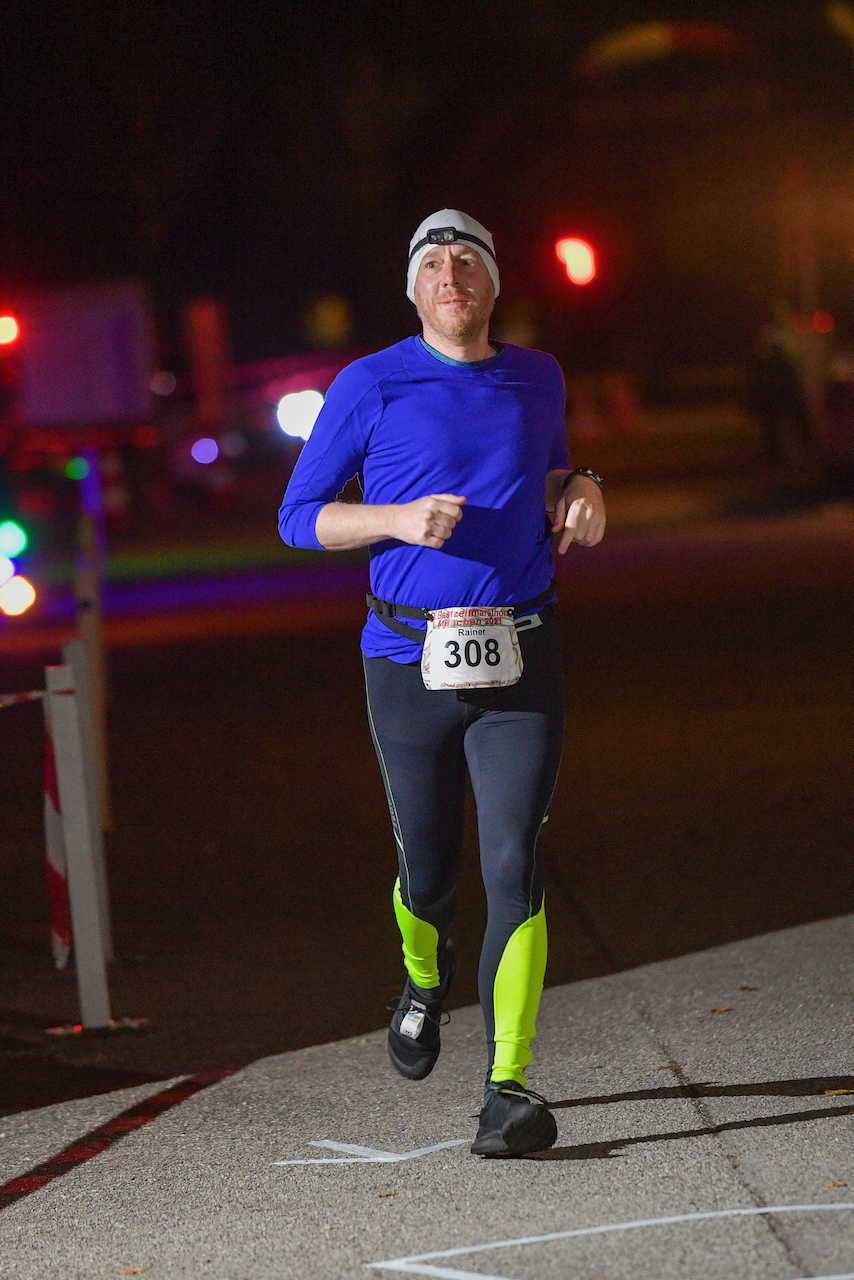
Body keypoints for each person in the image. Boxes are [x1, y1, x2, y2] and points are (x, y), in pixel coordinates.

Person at [278, 209, 606, 1156]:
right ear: (414, 288)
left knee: (515, 860)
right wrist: (393, 518)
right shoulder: (370, 381)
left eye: (468, 258)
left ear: (494, 283)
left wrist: (582, 486)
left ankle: (508, 1089)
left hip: (521, 652)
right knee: (431, 870)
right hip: (406, 660)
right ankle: (425, 980)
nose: (450, 271)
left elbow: (546, 473)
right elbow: (300, 518)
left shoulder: (537, 374)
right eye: (432, 260)